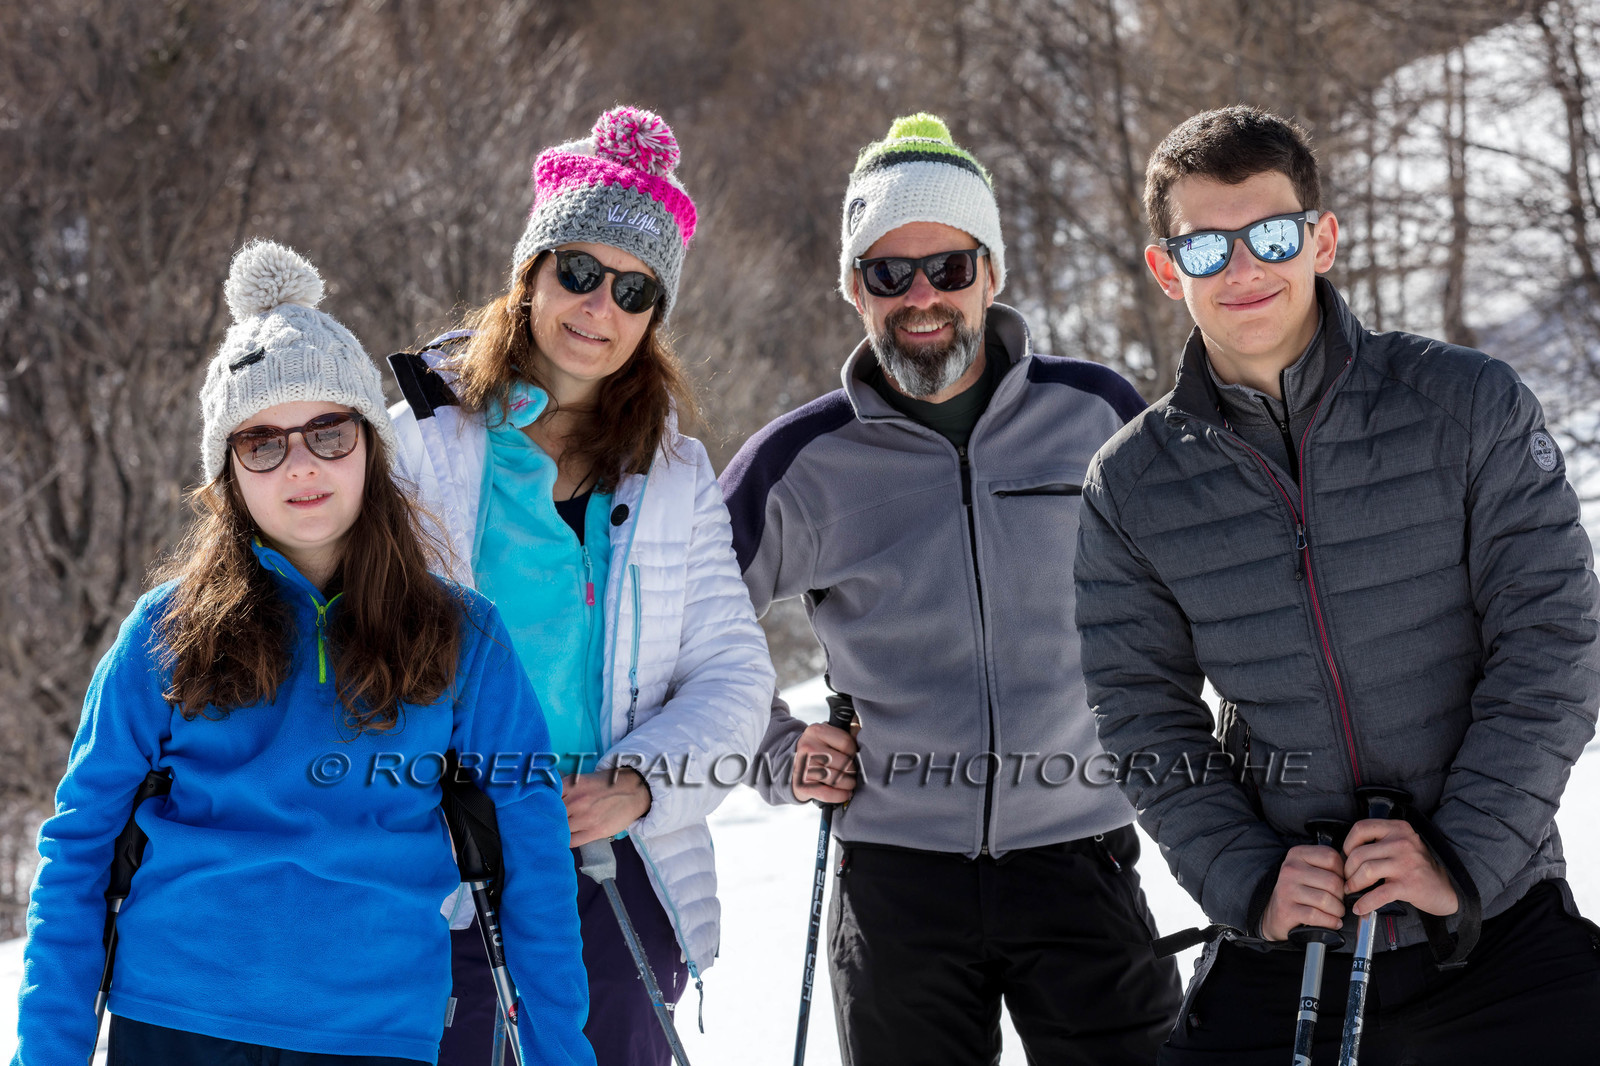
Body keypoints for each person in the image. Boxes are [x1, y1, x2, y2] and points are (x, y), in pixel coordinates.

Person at [1075, 104, 1600, 1064]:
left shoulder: (1466, 405)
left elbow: (1555, 640)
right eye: (1205, 247)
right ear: (1165, 270)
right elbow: (1142, 713)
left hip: (1493, 927)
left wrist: (1459, 861)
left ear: (1320, 239)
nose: (1243, 269)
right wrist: (1250, 882)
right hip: (1291, 943)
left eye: (1270, 235)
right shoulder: (1132, 484)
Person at [12, 241, 593, 1066]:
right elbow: (77, 855)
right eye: (262, 443)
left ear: (370, 445)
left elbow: (534, 865)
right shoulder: (164, 631)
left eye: (327, 431)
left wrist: (559, 1052)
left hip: (377, 1029)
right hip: (177, 1019)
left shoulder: (466, 638)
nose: (301, 466)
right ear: (227, 477)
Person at [720, 113, 1182, 1065]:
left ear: (992, 274)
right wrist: (775, 748)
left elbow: (1200, 580)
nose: (921, 296)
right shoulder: (801, 463)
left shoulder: (1095, 411)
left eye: (949, 267)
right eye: (889, 272)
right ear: (855, 287)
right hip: (898, 882)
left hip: (1080, 853)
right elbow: (685, 626)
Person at [386, 106, 773, 1066]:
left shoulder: (673, 475)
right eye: (580, 272)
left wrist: (638, 785)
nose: (600, 308)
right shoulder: (421, 445)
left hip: (609, 869)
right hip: (444, 860)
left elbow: (732, 674)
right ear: (531, 271)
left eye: (635, 290)